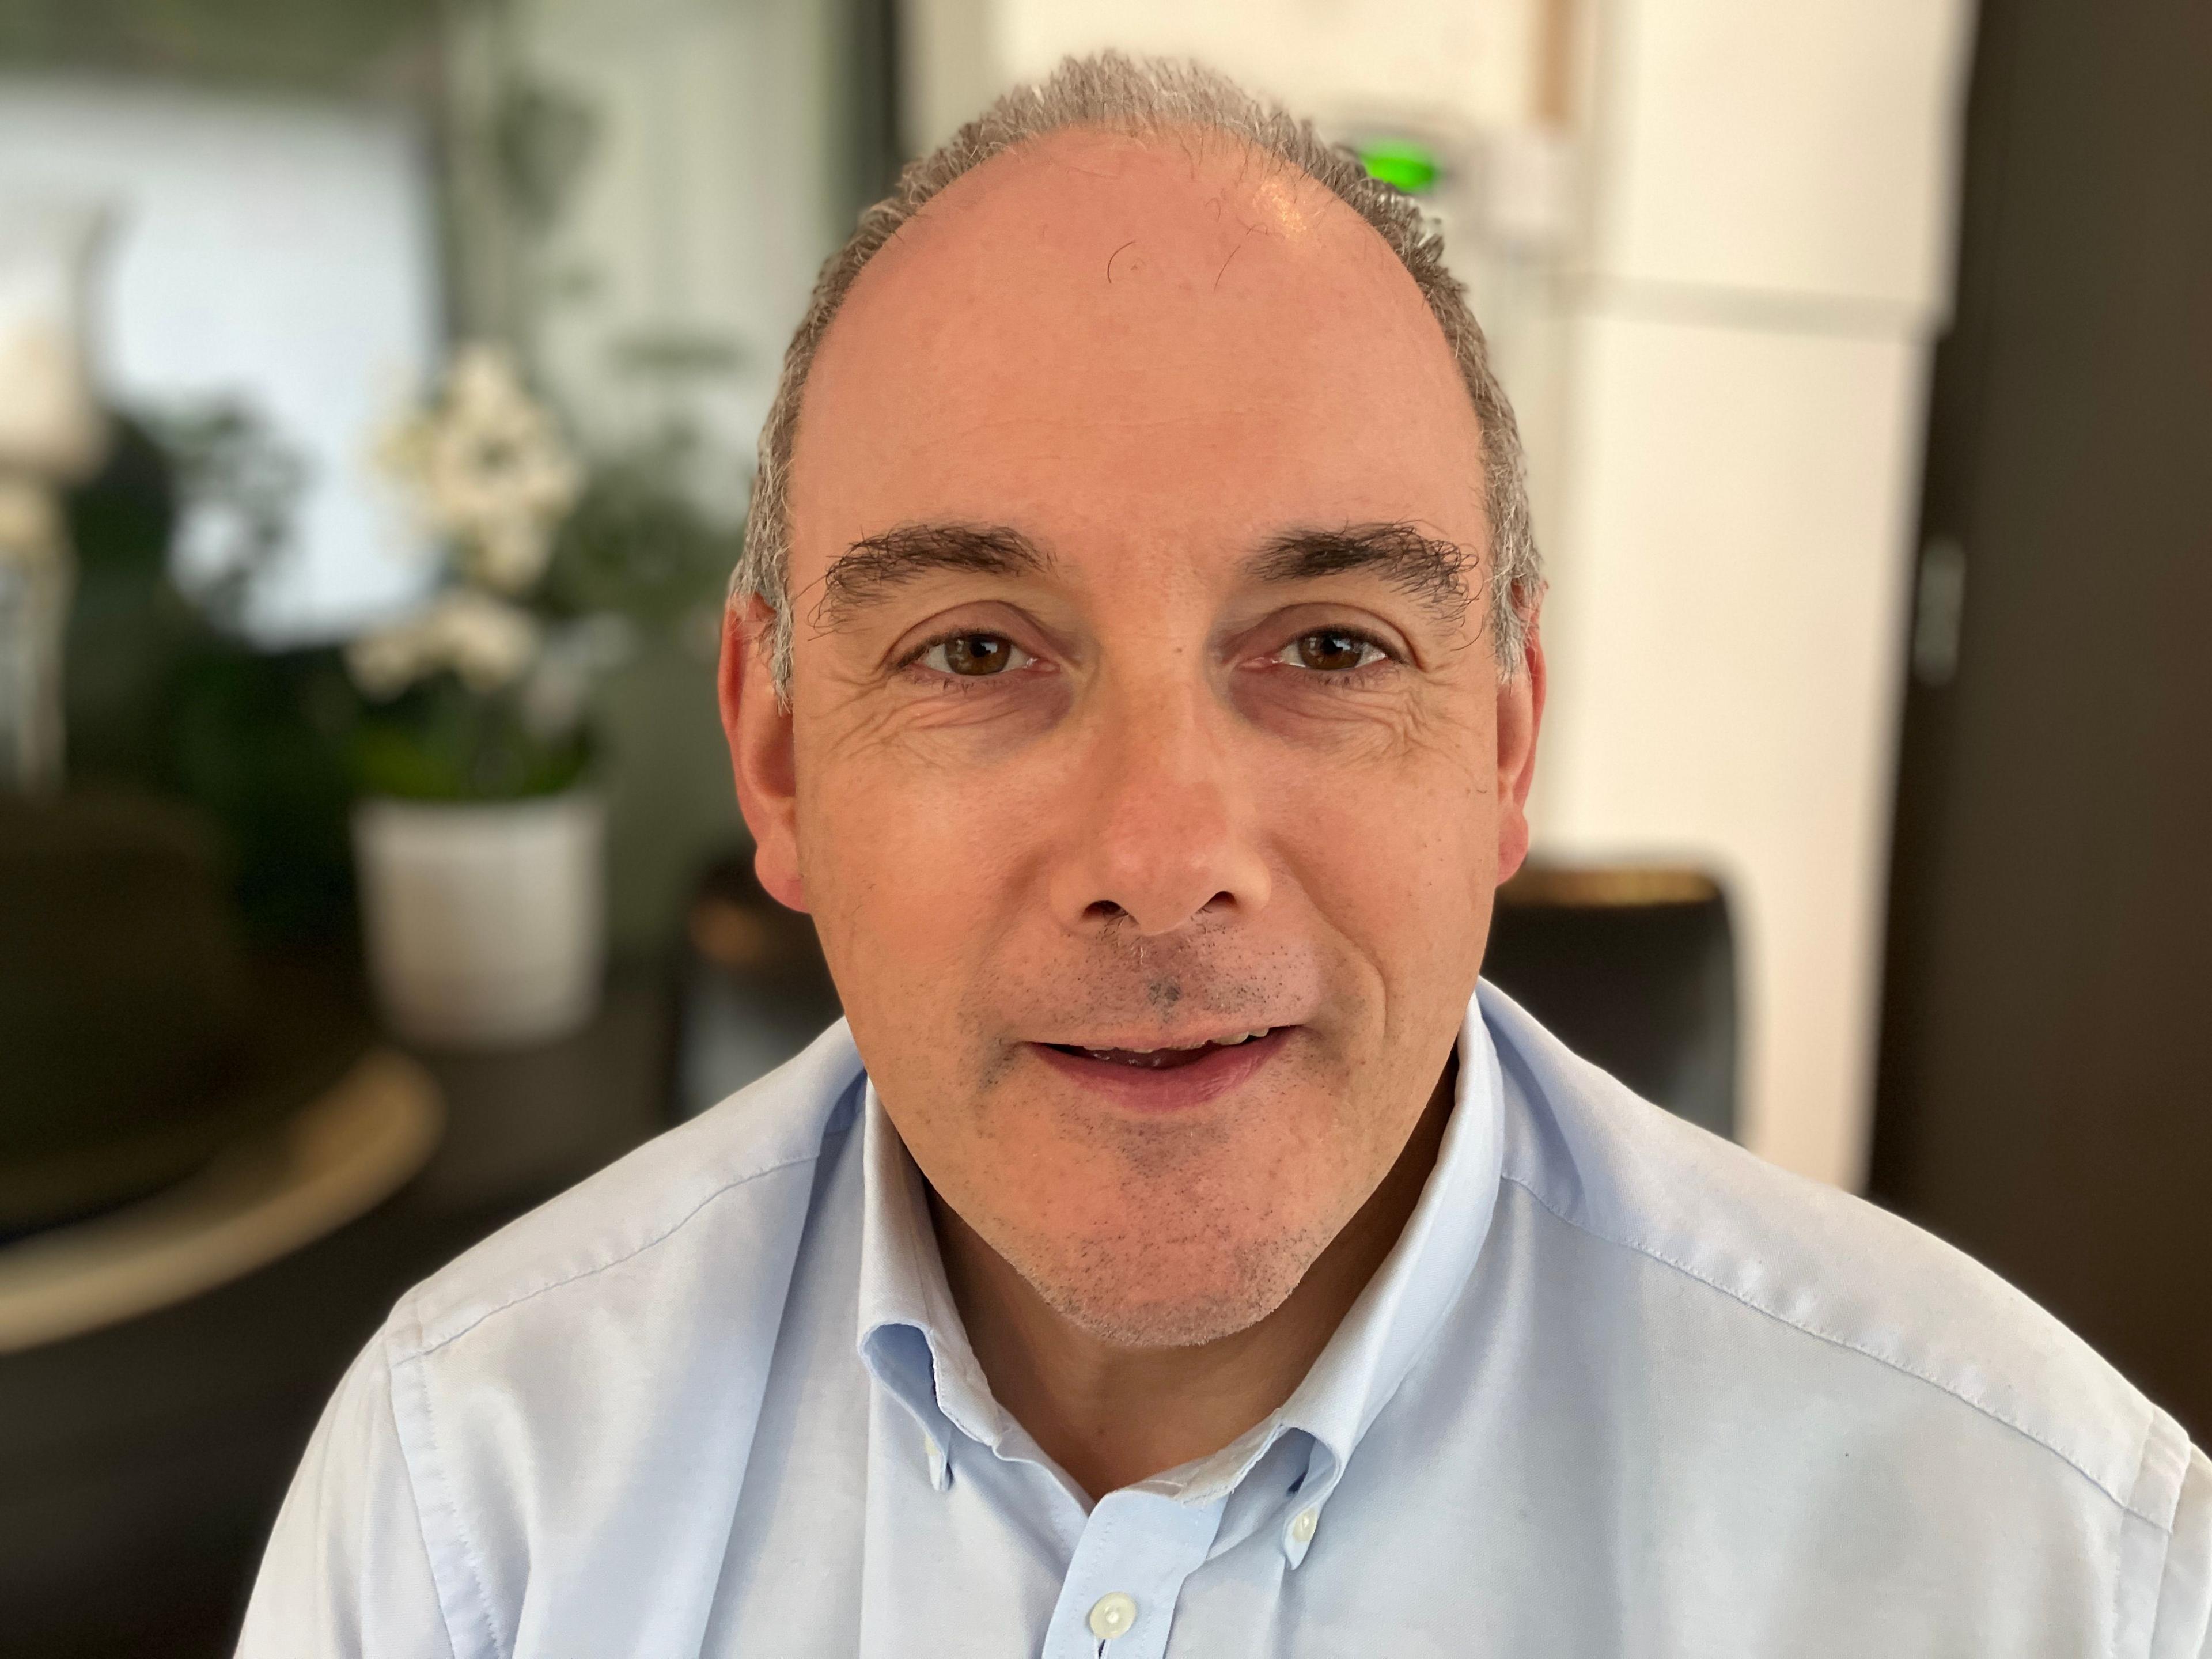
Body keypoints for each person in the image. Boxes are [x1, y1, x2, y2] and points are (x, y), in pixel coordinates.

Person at [241, 53, 2210, 1657]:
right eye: (977, 652)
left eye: (1335, 647)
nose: (1162, 862)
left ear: (1509, 734)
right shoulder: (466, 1495)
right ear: (771, 750)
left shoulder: (2043, 1565)